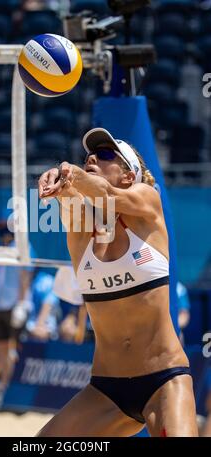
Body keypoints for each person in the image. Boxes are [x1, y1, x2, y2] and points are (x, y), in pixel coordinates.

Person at [37, 127, 198, 437]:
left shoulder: (147, 204)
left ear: (128, 176)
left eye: (107, 154)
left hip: (164, 380)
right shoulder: (82, 227)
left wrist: (72, 172)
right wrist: (59, 179)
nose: (93, 157)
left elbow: (107, 194)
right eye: (89, 156)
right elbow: (70, 197)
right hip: (106, 389)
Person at [0, 216, 35, 392]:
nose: (1, 232)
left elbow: (25, 276)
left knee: (17, 349)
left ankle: (17, 388)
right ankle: (5, 386)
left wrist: (22, 303)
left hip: (15, 305)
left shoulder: (23, 247)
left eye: (4, 228)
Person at [25, 271, 59, 341]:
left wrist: (40, 325)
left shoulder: (45, 280)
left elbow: (48, 302)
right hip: (30, 325)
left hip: (45, 326)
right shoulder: (34, 279)